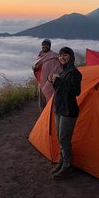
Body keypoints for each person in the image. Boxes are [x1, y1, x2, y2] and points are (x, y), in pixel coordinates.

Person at [49, 47, 82, 180]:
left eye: (65, 55)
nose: (62, 57)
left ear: (71, 57)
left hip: (69, 110)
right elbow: (60, 90)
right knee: (60, 136)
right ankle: (62, 161)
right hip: (59, 108)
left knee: (64, 138)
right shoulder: (63, 71)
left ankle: (67, 166)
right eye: (60, 55)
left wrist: (58, 80)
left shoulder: (74, 72)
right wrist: (54, 81)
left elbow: (75, 91)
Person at [32, 38, 62, 112]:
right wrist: (35, 69)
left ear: (50, 46)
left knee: (49, 100)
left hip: (49, 82)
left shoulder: (54, 56)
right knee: (41, 102)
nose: (44, 46)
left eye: (46, 45)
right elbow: (38, 68)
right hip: (40, 82)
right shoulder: (40, 55)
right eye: (43, 45)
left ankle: (49, 116)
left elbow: (57, 69)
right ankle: (43, 117)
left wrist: (51, 79)